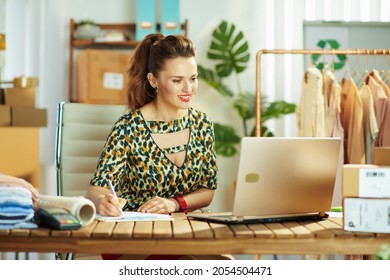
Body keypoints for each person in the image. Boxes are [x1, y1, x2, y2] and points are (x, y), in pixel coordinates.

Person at [85, 34, 227, 260]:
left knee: (225, 264)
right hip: (134, 239)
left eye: (193, 78)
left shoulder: (202, 124)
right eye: (177, 80)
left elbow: (207, 191)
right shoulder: (128, 128)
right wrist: (104, 202)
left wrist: (173, 203)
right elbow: (95, 191)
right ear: (153, 80)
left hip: (182, 234)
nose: (188, 88)